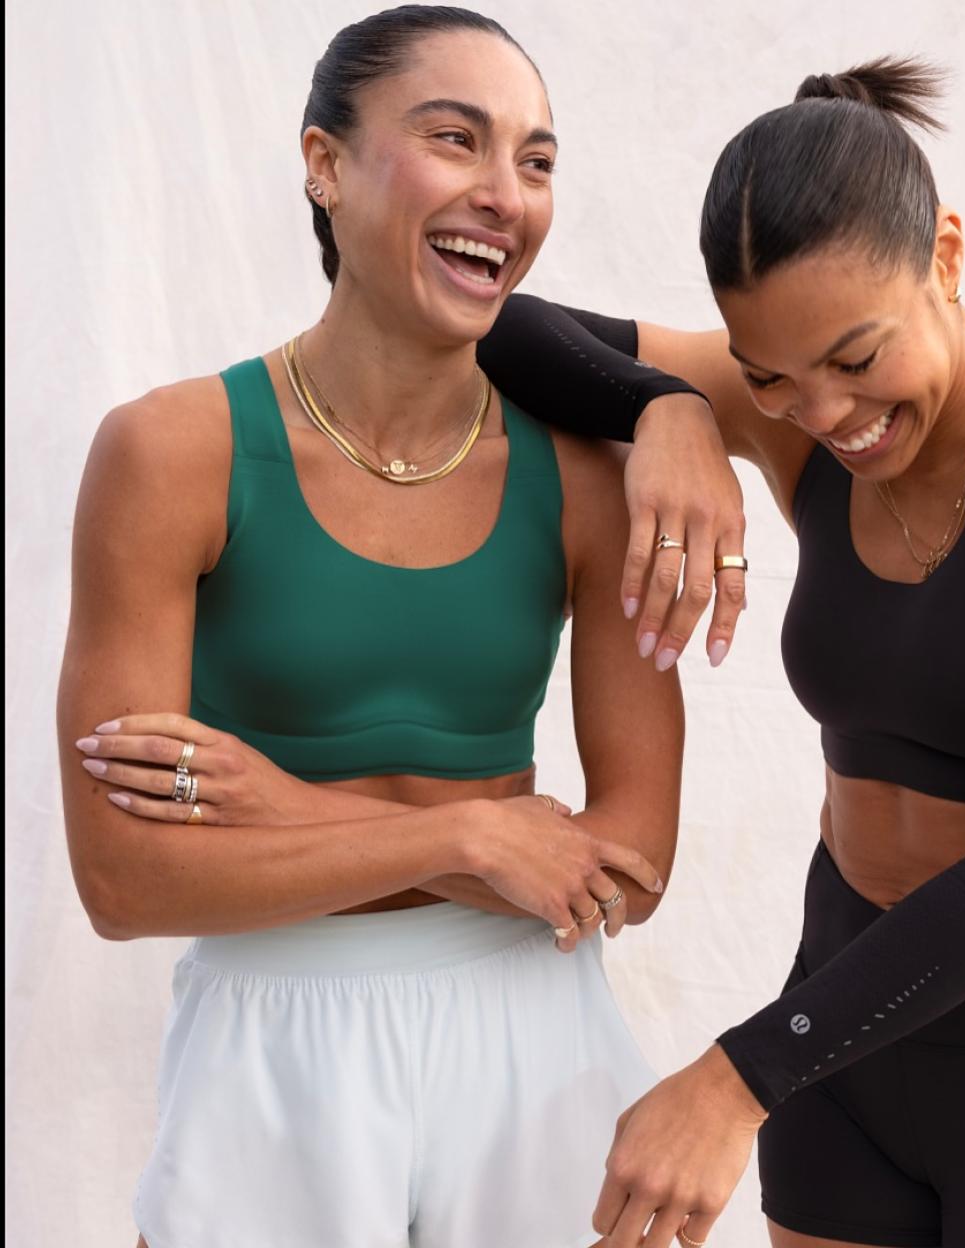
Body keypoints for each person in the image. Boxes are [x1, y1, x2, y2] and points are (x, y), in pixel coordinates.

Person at [477, 58, 965, 1248]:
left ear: (948, 257)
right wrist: (667, 408)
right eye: (766, 376)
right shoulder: (797, 416)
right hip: (847, 1037)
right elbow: (509, 330)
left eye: (856, 361)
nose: (820, 416)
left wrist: (736, 1079)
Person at [55, 8, 682, 1247]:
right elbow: (123, 881)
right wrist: (474, 833)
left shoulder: (589, 480)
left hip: (533, 1030)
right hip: (270, 1034)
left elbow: (627, 872)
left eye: (538, 160)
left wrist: (281, 806)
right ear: (323, 163)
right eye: (456, 139)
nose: (506, 193)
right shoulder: (173, 453)